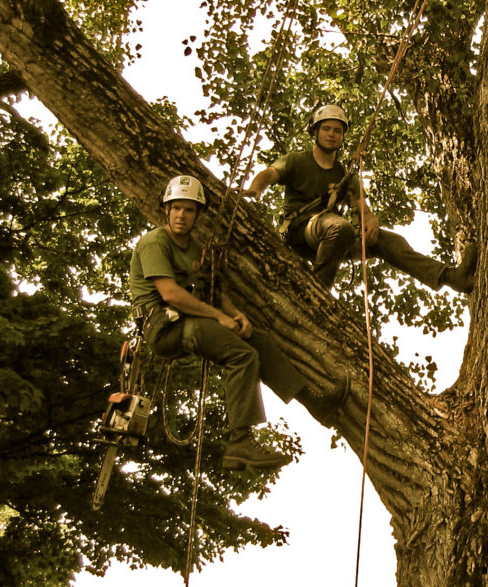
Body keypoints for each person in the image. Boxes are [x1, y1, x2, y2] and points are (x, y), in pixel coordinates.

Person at [129, 175, 350, 471]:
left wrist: (235, 314)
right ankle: (240, 442)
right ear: (166, 210)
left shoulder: (196, 248)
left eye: (189, 210)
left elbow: (212, 293)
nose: (181, 215)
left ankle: (315, 403)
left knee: (259, 341)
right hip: (166, 327)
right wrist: (219, 317)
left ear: (198, 214)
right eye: (176, 208)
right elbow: (170, 294)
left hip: (191, 321)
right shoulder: (154, 241)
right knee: (242, 356)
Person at [245, 104, 477, 293]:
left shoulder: (346, 176)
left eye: (337, 130)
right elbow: (268, 174)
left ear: (342, 136)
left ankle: (451, 277)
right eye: (326, 128)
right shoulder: (297, 160)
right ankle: (317, 292)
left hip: (332, 238)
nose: (332, 134)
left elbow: (362, 208)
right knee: (338, 226)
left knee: (387, 240)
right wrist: (256, 189)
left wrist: (371, 219)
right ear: (315, 131)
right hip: (297, 232)